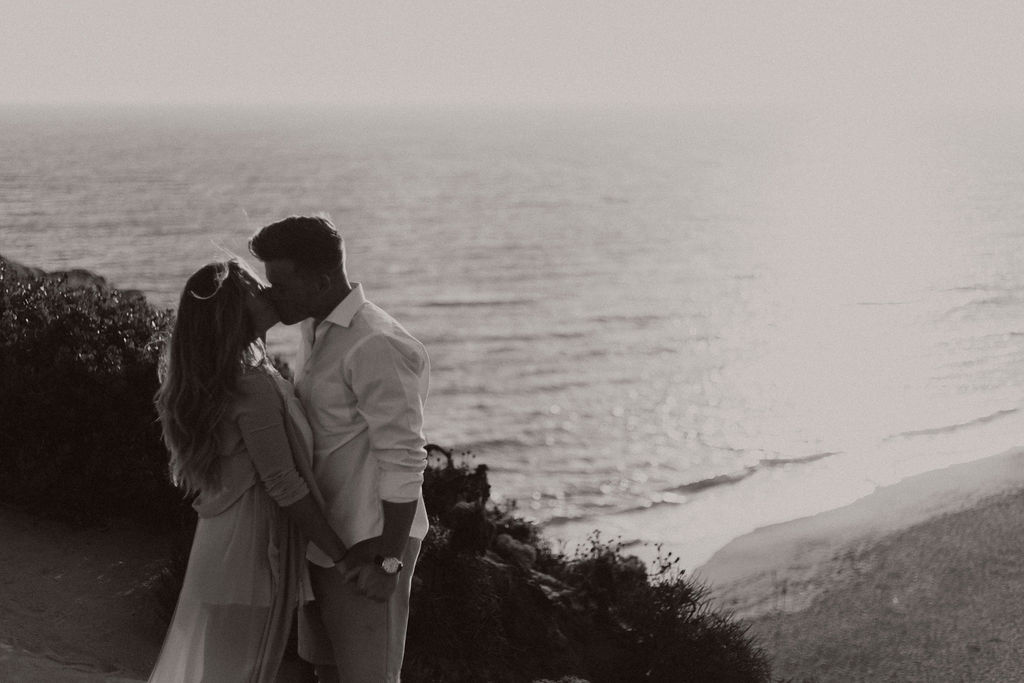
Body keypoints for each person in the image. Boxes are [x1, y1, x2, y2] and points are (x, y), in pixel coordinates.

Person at [148, 259, 350, 683]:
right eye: (258, 290)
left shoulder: (232, 375)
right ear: (236, 310)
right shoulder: (251, 384)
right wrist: (341, 555)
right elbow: (283, 483)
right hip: (250, 557)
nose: (270, 292)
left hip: (223, 549)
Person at [249, 215, 430, 683]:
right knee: (327, 673)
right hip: (327, 540)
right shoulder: (316, 325)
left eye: (282, 287)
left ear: (323, 279)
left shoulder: (376, 342)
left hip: (369, 543)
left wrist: (388, 562)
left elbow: (405, 457)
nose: (273, 297)